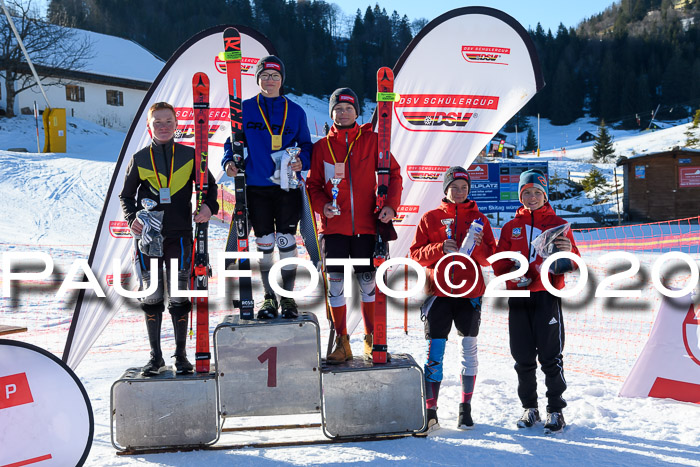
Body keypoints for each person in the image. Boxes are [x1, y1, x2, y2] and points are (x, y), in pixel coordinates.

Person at [119, 101, 218, 376]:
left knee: (178, 296)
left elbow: (209, 190)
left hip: (180, 237)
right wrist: (132, 220)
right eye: (157, 123)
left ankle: (181, 356)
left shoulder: (191, 156)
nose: (163, 127)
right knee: (151, 296)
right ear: (149, 127)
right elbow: (126, 196)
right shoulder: (139, 159)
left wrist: (210, 207)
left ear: (176, 125)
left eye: (168, 122)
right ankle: (155, 357)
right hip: (149, 237)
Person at [307, 87, 402, 363]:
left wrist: (390, 206)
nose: (343, 112)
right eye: (338, 108)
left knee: (367, 283)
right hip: (333, 228)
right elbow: (312, 185)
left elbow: (393, 175)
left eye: (348, 108)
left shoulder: (373, 140)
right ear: (332, 113)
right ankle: (342, 340)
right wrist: (322, 205)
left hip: (367, 227)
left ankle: (372, 338)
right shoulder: (321, 146)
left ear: (357, 112)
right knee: (335, 285)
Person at [221, 55, 312, 319]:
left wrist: (301, 161)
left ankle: (288, 297)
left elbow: (306, 145)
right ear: (257, 78)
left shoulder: (295, 111)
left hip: (286, 187)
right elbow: (232, 142)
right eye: (264, 75)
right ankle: (270, 297)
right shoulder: (245, 108)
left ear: (282, 80)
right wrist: (229, 161)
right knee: (265, 244)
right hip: (256, 186)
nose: (269, 80)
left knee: (285, 242)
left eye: (275, 76)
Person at [409, 167, 496, 432]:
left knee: (468, 351)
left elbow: (488, 258)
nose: (459, 192)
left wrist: (478, 245)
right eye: (454, 187)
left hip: (470, 294)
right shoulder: (430, 217)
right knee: (435, 353)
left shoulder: (479, 219)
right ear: (446, 189)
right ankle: (431, 411)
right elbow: (415, 256)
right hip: (438, 293)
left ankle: (465, 409)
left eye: (464, 188)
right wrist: (439, 248)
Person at [493, 169, 580, 434]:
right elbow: (499, 265)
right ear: (521, 195)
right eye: (526, 192)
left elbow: (576, 262)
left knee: (551, 357)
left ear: (545, 195)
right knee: (522, 358)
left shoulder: (558, 224)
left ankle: (556, 410)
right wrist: (511, 276)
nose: (532, 197)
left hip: (546, 297)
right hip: (519, 297)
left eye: (537, 192)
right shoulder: (510, 227)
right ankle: (529, 407)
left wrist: (568, 251)